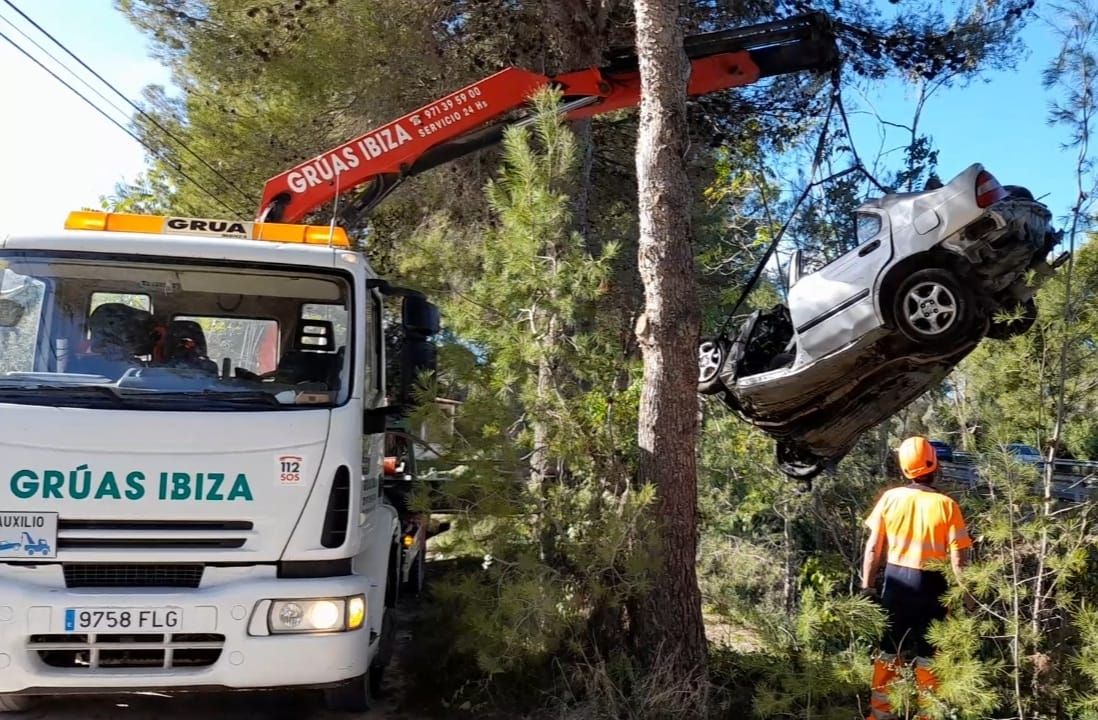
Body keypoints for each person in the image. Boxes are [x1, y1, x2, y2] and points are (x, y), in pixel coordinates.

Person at [861, 435, 974, 720]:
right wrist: (968, 599)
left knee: (888, 653)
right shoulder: (948, 506)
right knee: (929, 657)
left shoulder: (890, 499)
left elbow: (873, 547)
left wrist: (867, 585)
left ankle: (880, 714)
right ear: (935, 467)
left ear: (903, 468)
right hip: (933, 590)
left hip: (896, 586)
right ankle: (927, 715)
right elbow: (959, 560)